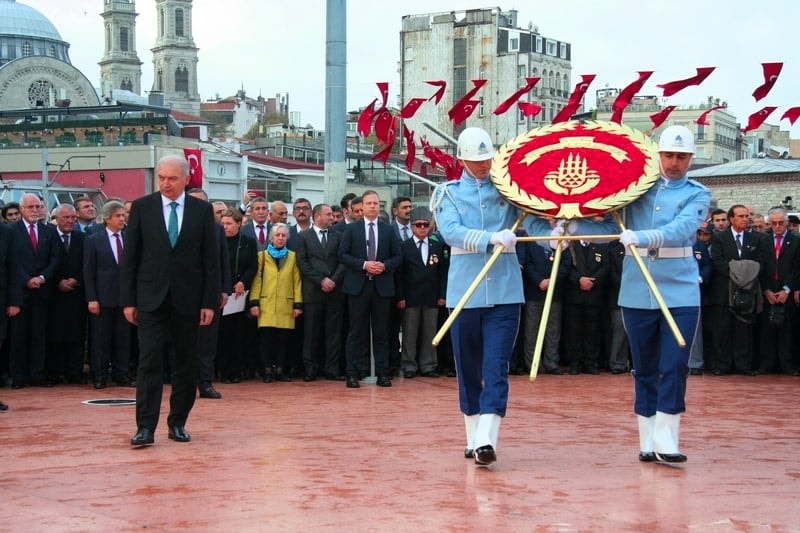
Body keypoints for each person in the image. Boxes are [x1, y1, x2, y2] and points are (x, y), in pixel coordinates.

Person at [569, 125, 710, 463]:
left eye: (681, 156)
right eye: (669, 155)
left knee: (674, 363)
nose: (674, 163)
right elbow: (608, 227)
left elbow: (682, 229)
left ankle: (667, 437)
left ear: (690, 158)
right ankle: (647, 438)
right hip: (637, 289)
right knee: (643, 366)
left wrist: (643, 237)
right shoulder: (636, 188)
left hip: (680, 290)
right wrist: (573, 225)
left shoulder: (698, 193)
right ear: (658, 155)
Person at [431, 127, 553, 467]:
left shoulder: (509, 190)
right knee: (468, 369)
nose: (483, 166)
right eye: (475, 160)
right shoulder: (448, 194)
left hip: (504, 292)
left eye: (486, 159)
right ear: (462, 160)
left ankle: (487, 437)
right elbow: (450, 231)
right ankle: (473, 435)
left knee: (495, 366)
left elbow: (532, 221)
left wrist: (553, 236)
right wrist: (489, 238)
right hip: (465, 293)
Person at [121, 154, 220, 446]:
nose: (165, 183)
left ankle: (178, 422)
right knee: (148, 361)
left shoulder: (202, 211)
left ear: (187, 179)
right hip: (150, 299)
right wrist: (128, 300)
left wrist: (209, 302)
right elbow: (130, 259)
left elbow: (210, 261)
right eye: (161, 177)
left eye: (172, 178)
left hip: (189, 301)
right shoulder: (142, 208)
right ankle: (145, 428)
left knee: (185, 364)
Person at [339, 190, 402, 388]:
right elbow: (343, 255)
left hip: (381, 286)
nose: (373, 206)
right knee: (356, 332)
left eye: (376, 203)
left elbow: (398, 256)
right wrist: (364, 265)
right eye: (369, 203)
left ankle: (383, 373)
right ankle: (352, 372)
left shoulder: (388, 229)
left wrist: (384, 265)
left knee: (381, 332)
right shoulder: (352, 229)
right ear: (362, 207)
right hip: (358, 286)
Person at [8, 193, 61, 388]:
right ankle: (18, 376)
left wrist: (41, 278)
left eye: (37, 207)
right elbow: (11, 260)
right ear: (22, 209)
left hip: (42, 290)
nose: (34, 211)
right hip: (20, 292)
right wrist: (26, 279)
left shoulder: (49, 232)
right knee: (19, 335)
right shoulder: (11, 231)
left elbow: (55, 259)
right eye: (30, 207)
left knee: (40, 334)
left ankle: (38, 374)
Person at [187, 188, 232, 400]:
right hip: (183, 293)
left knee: (207, 342)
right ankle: (184, 383)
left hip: (210, 293)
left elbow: (223, 261)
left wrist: (224, 289)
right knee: (184, 341)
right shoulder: (176, 227)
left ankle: (205, 383)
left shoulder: (216, 229)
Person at [84, 201, 133, 388]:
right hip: (102, 297)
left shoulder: (129, 238)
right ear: (107, 218)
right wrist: (92, 298)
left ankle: (121, 373)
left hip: (125, 298)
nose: (122, 219)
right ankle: (100, 374)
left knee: (123, 338)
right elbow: (88, 271)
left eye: (123, 215)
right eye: (118, 216)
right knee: (100, 339)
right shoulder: (94, 240)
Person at [708, 205, 762, 376]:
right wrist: (737, 274)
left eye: (747, 216)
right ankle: (722, 364)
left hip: (747, 291)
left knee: (743, 331)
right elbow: (717, 261)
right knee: (722, 330)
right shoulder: (719, 238)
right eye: (741, 216)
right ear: (731, 219)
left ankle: (743, 365)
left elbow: (759, 262)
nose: (745, 219)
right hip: (724, 291)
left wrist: (745, 278)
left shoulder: (756, 239)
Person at [295, 203, 346, 381]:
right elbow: (302, 262)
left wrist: (334, 280)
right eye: (328, 214)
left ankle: (332, 368)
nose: (332, 217)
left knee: (333, 332)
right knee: (311, 332)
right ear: (317, 217)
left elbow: (343, 260)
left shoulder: (339, 236)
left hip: (335, 291)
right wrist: (320, 280)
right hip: (313, 291)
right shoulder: (304, 237)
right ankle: (310, 368)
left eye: (332, 215)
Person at [396, 207, 448, 378]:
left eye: (426, 225)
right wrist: (401, 296)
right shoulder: (404, 246)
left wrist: (442, 295)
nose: (422, 228)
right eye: (418, 225)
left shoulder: (437, 246)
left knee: (430, 332)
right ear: (412, 227)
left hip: (431, 296)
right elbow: (400, 274)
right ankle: (409, 365)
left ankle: (428, 365)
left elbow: (442, 273)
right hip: (411, 297)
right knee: (410, 333)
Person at [249, 223, 303, 382]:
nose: (280, 238)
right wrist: (254, 302)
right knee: (266, 340)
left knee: (283, 340)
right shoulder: (262, 256)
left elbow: (297, 281)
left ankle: (280, 370)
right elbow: (257, 281)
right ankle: (267, 370)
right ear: (271, 238)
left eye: (283, 235)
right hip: (266, 303)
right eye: (277, 235)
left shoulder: (293, 256)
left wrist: (298, 304)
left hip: (285, 304)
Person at [217, 208, 258, 383]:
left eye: (229, 223)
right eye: (223, 223)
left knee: (237, 334)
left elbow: (253, 266)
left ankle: (234, 371)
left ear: (239, 224)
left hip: (239, 295)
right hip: (219, 293)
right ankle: (219, 370)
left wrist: (244, 282)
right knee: (220, 334)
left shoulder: (248, 241)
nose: (225, 227)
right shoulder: (216, 241)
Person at [757, 207, 800, 375]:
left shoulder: (796, 241)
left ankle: (787, 364)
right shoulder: (763, 241)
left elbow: (797, 268)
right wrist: (766, 289)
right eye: (773, 223)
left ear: (787, 223)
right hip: (768, 290)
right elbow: (761, 266)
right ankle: (766, 364)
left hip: (787, 291)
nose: (777, 226)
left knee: (787, 329)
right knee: (767, 329)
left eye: (780, 223)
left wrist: (787, 289)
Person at [47, 203, 87, 385]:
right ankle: (55, 372)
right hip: (53, 295)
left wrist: (76, 280)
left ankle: (75, 372)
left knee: (76, 334)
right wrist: (58, 281)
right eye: (66, 217)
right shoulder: (48, 237)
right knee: (55, 335)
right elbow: (43, 262)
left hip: (76, 294)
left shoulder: (82, 238)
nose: (70, 221)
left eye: (73, 218)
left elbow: (87, 263)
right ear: (56, 219)